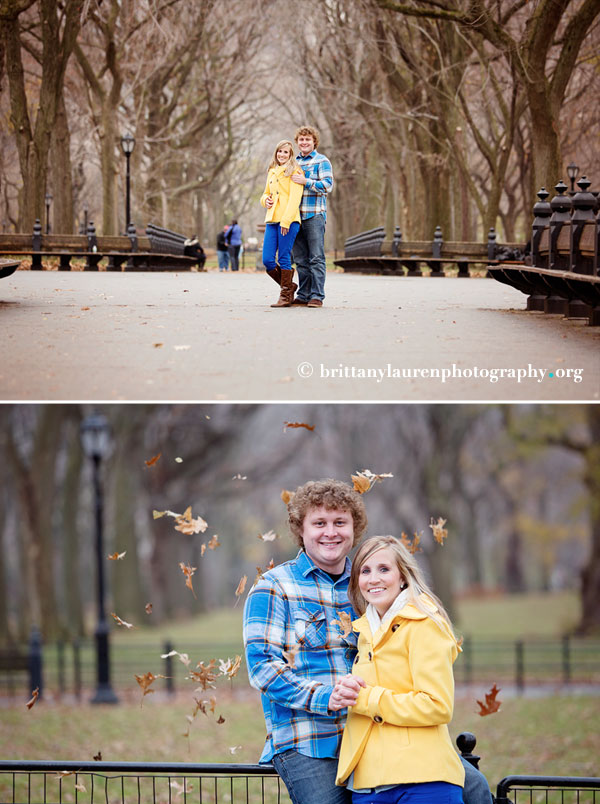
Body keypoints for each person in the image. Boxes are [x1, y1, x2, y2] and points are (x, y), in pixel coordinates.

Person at [243, 480, 494, 804]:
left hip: (379, 729)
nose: (330, 532)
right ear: (300, 530)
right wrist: (326, 697)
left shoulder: (370, 582)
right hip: (311, 741)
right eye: (319, 523)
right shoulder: (274, 586)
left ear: (354, 528)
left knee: (474, 789)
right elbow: (263, 668)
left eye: (340, 523)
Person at [333, 535, 465, 803]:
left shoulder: (424, 624)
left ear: (403, 576)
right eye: (365, 571)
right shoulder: (365, 630)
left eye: (384, 569)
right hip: (368, 786)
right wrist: (344, 694)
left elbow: (437, 705)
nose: (374, 579)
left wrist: (367, 699)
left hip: (423, 782)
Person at [290, 125, 333, 308]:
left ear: (314, 142)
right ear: (297, 142)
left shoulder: (322, 161)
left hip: (314, 215)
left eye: (308, 139)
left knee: (316, 257)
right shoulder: (293, 163)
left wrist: (306, 181)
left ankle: (317, 296)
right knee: (300, 259)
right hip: (295, 216)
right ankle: (303, 294)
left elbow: (327, 185)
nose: (304, 142)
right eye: (301, 139)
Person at [260, 139, 304, 307]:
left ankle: (285, 296)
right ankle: (289, 286)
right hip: (272, 219)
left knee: (284, 257)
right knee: (268, 260)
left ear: (291, 155)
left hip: (289, 220)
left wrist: (286, 221)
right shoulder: (272, 171)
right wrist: (265, 201)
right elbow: (265, 194)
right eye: (280, 151)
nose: (282, 154)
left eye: (286, 152)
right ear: (276, 153)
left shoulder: (295, 171)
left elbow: (295, 199)